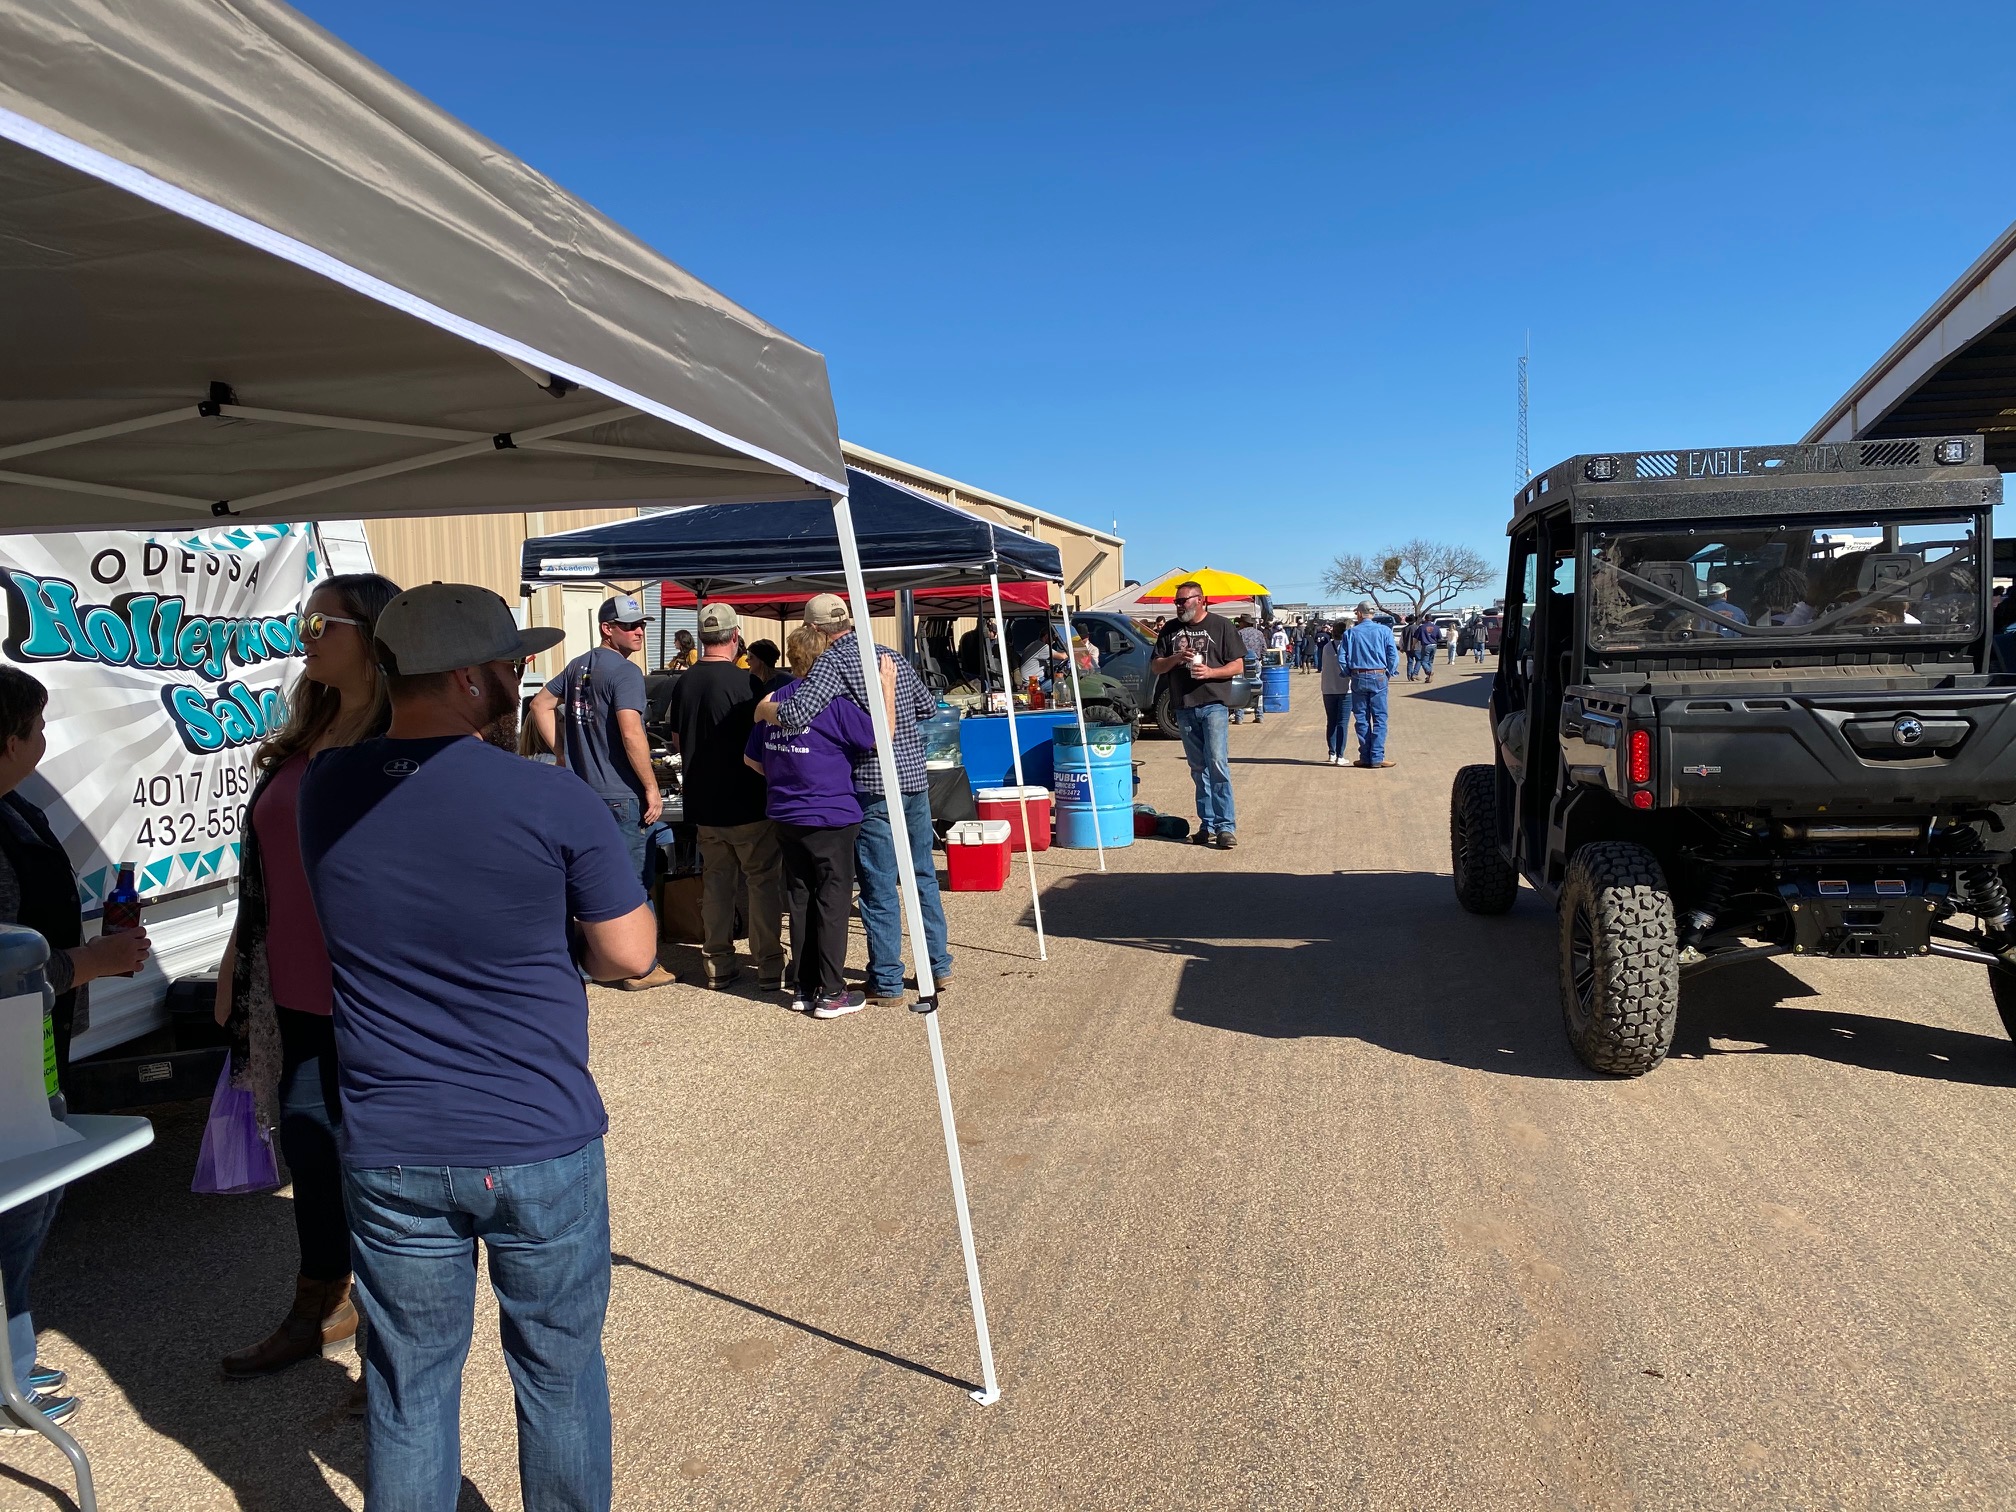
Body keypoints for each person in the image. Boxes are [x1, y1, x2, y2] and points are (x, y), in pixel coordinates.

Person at [299, 582, 656, 1511]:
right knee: (558, 1376)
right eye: (510, 665)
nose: (521, 677)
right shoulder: (550, 796)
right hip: (533, 1132)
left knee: (410, 1390)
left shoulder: (327, 789)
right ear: (468, 678)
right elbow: (629, 953)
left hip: (392, 1139)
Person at [214, 572, 400, 1397]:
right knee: (311, 1148)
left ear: (375, 633)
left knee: (384, 1169)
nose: (307, 633)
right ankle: (318, 1305)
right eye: (305, 619)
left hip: (378, 996)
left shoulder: (403, 734)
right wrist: (233, 961)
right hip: (290, 987)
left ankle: (392, 1347)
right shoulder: (306, 732)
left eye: (323, 621)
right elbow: (265, 873)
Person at [0, 667, 152, 1433]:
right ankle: (10, 1371)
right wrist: (82, 965)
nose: (45, 740)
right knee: (20, 1199)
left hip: (34, 1046)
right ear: (8, 739)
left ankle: (12, 1352)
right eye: (38, 726)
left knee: (31, 1197)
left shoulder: (12, 808)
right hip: (10, 1061)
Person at [756, 593, 954, 1005]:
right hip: (913, 778)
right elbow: (925, 706)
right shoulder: (888, 655)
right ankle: (937, 964)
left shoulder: (832, 662)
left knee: (878, 883)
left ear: (814, 629)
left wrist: (762, 710)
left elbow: (795, 714)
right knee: (921, 875)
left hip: (871, 783)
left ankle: (887, 979)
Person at [530, 594, 672, 989]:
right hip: (619, 793)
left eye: (641, 624)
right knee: (633, 881)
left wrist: (563, 752)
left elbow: (541, 703)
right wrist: (651, 787)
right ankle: (641, 965)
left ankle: (585, 960)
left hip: (581, 792)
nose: (639, 631)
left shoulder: (579, 666)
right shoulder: (625, 673)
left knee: (582, 879)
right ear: (607, 629)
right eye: (629, 626)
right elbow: (631, 731)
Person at [745, 625, 875, 1018]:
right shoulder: (834, 703)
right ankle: (832, 992)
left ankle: (803, 987)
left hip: (786, 815)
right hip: (830, 816)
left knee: (799, 900)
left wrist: (787, 778)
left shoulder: (774, 701)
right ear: (825, 660)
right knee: (832, 903)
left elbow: (751, 758)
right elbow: (875, 739)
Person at [664, 603, 785, 991]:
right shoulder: (748, 684)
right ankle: (768, 965)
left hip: (704, 803)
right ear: (735, 637)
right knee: (762, 882)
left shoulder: (682, 683)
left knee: (716, 882)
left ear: (702, 638)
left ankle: (717, 962)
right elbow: (763, 743)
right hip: (748, 801)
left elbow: (677, 741)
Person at [1149, 581, 1246, 849]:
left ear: (1200, 600)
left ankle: (1226, 827)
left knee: (1216, 763)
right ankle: (1208, 824)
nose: (1179, 606)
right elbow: (1156, 666)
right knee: (1197, 768)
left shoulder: (1221, 626)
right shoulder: (1170, 630)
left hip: (1213, 704)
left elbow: (1238, 665)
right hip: (1184, 705)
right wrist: (1177, 658)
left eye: (1183, 601)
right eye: (1176, 602)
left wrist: (1211, 673)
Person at [1341, 600, 1400, 768]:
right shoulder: (1384, 631)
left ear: (1359, 613)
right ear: (1372, 614)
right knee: (1380, 717)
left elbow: (1342, 658)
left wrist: (1347, 672)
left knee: (1361, 718)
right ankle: (1377, 757)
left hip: (1358, 675)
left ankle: (1366, 756)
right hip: (1379, 675)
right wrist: (1389, 671)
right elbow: (1392, 655)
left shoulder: (1350, 633)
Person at [1318, 620, 1352, 765]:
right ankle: (1340, 755)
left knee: (1331, 721)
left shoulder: (1327, 647)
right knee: (1342, 723)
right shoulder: (1349, 647)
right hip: (1345, 689)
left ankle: (1332, 753)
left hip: (1328, 688)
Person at [1231, 615, 1266, 726]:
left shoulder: (1239, 633)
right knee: (1258, 689)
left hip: (1241, 663)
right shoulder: (1259, 633)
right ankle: (1259, 715)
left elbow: (1233, 649)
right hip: (1255, 662)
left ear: (1243, 623)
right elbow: (1264, 650)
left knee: (1241, 688)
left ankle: (1239, 717)